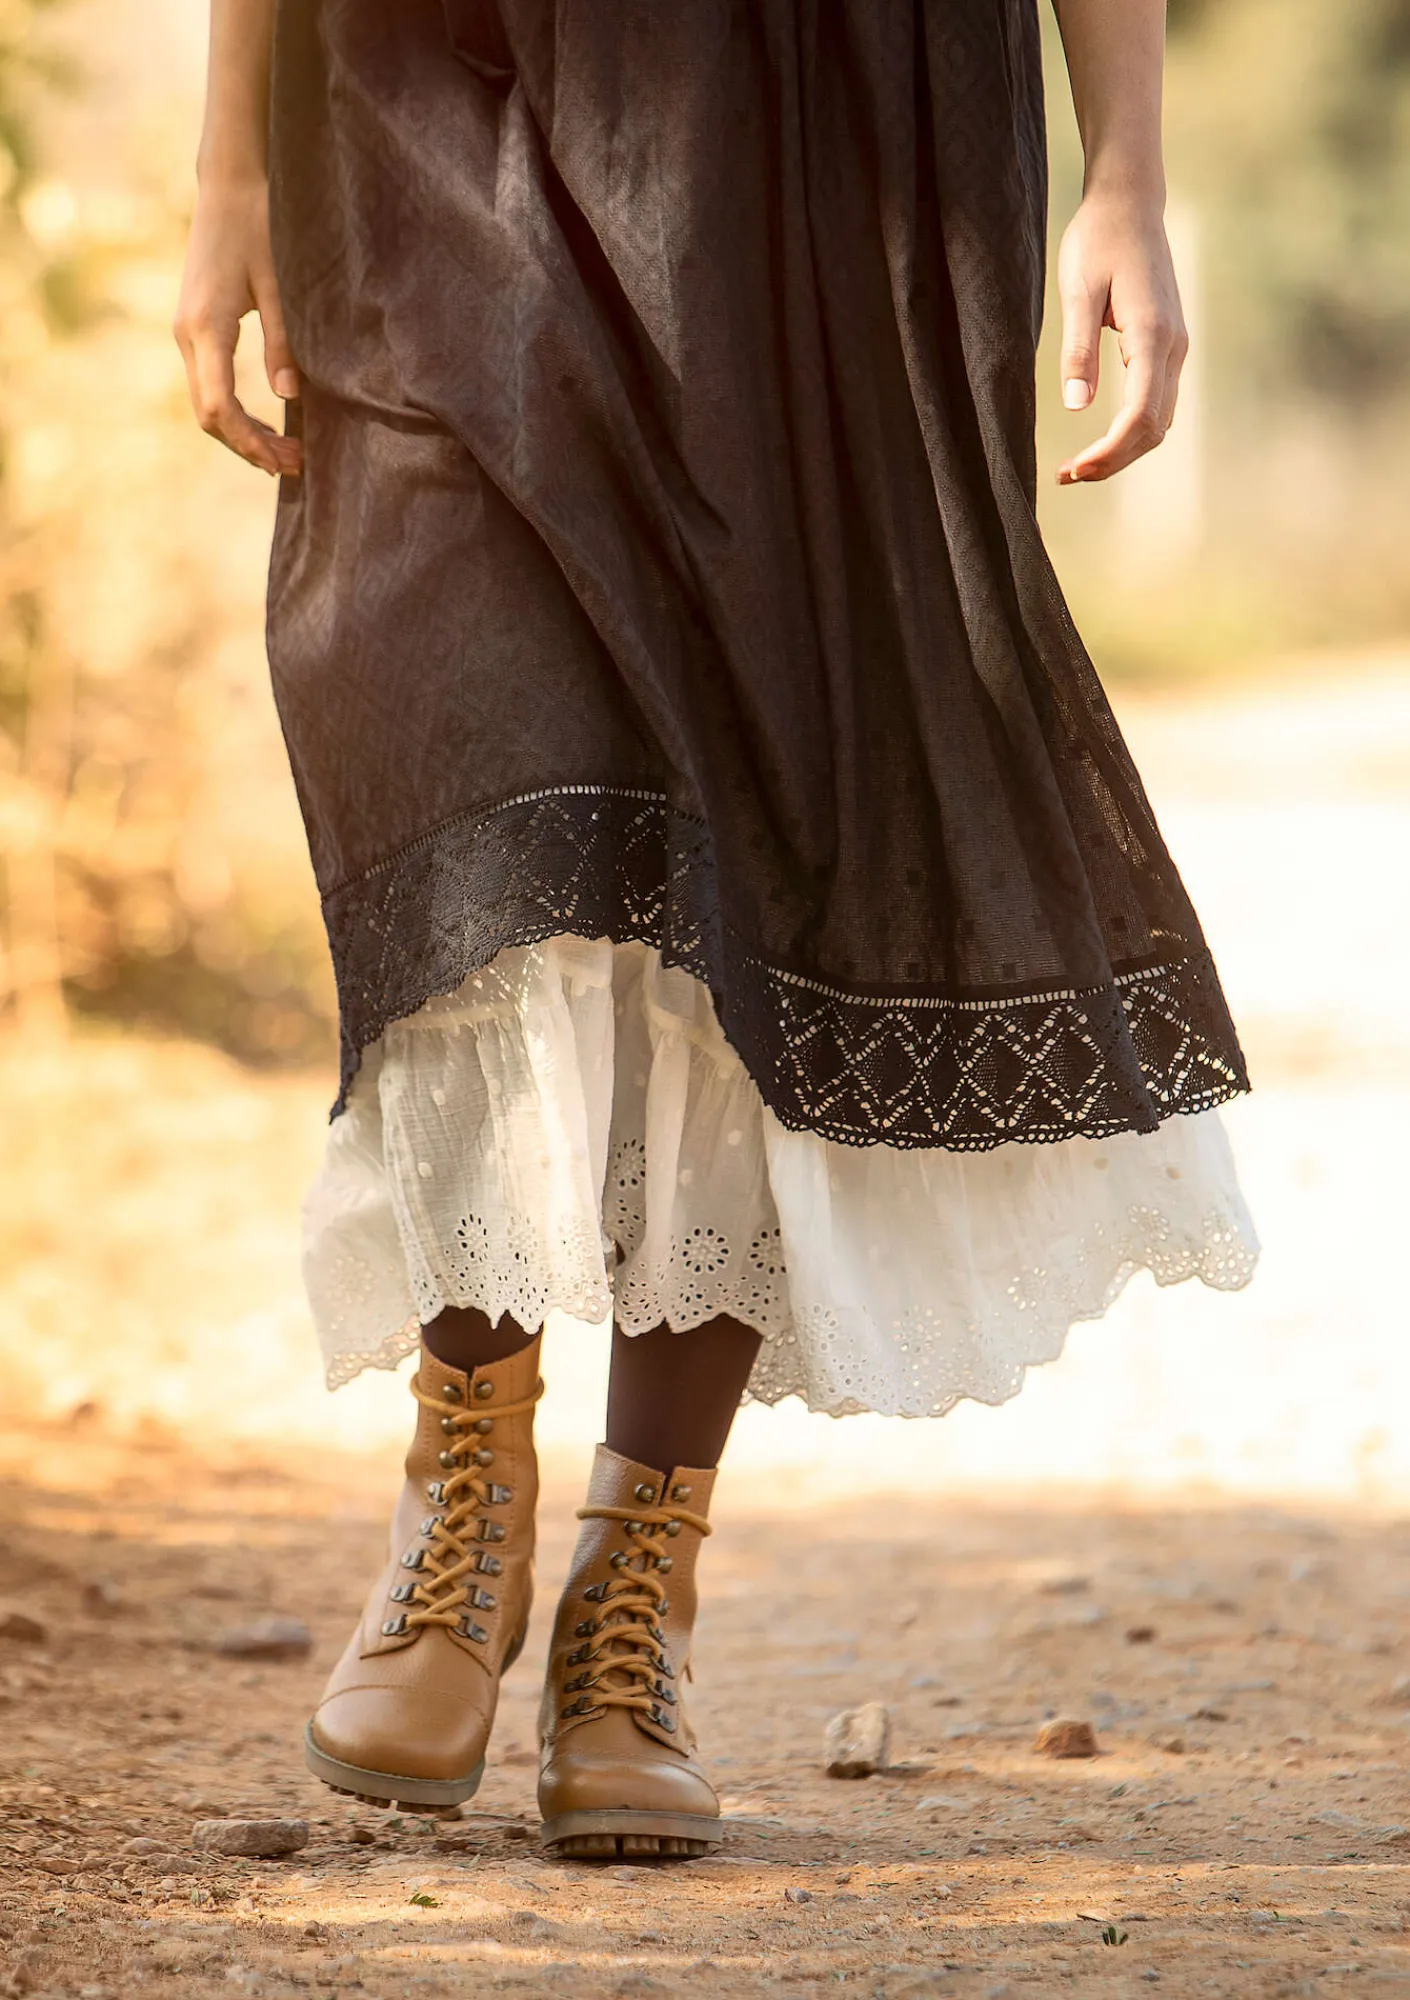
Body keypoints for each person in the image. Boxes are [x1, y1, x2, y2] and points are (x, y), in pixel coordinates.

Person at [176, 0, 1258, 1861]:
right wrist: (220, 168)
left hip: (833, 116)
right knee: (449, 712)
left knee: (758, 805)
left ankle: (634, 1581)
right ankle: (466, 1483)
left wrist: (1127, 169)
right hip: (425, 75)